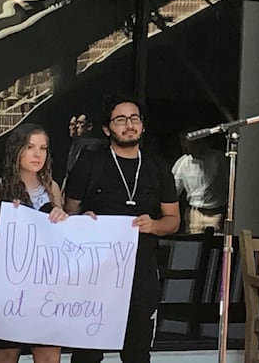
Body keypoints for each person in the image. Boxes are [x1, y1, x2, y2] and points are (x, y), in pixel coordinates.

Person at [64, 95, 180, 363]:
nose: (129, 125)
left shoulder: (156, 165)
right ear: (107, 128)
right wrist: (83, 220)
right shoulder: (90, 162)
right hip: (95, 272)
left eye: (134, 118)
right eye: (120, 120)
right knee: (87, 353)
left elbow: (173, 219)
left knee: (137, 352)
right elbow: (70, 213)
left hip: (141, 271)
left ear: (142, 125)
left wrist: (154, 225)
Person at [0, 123, 69, 363]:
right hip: (12, 285)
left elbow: (63, 239)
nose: (38, 155)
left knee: (48, 354)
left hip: (47, 285)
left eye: (43, 148)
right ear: (17, 150)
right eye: (30, 147)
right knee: (6, 354)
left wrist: (66, 219)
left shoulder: (52, 188)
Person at [171, 131, 228, 234]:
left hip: (217, 214)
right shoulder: (182, 163)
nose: (184, 144)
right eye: (182, 141)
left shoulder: (219, 159)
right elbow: (173, 191)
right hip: (195, 214)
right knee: (194, 245)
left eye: (187, 141)